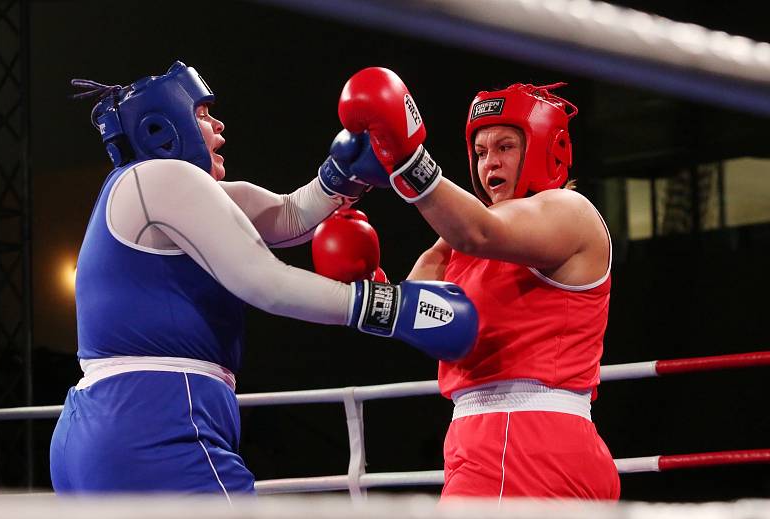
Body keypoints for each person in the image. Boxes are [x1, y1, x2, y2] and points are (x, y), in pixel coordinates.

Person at [49, 61, 478, 499]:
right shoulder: (160, 177)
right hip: (154, 419)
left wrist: (343, 176)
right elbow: (265, 283)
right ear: (162, 128)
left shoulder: (149, 191)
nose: (218, 125)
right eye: (202, 113)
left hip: (103, 427)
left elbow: (288, 215)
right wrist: (393, 307)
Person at [327, 67, 620, 499]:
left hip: (521, 444)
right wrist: (370, 286)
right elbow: (424, 306)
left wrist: (407, 159)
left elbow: (477, 230)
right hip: (493, 441)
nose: (489, 163)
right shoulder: (464, 239)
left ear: (545, 147)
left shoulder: (566, 210)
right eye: (480, 152)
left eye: (505, 147)